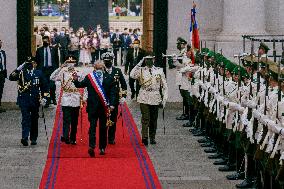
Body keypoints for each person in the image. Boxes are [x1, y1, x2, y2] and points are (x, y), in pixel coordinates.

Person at [72, 62, 116, 157]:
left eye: (101, 68)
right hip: (92, 107)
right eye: (97, 68)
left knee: (103, 128)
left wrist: (112, 104)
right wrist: (75, 80)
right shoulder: (89, 77)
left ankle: (102, 147)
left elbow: (113, 93)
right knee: (92, 128)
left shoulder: (109, 78)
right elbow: (80, 85)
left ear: (103, 68)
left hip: (104, 108)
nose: (99, 69)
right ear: (94, 68)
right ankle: (91, 146)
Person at [9, 57, 49, 146]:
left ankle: (33, 138)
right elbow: (11, 77)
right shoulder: (21, 73)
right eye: (29, 63)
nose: (31, 65)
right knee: (25, 118)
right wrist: (19, 67)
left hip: (35, 100)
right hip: (24, 99)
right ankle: (25, 137)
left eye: (33, 63)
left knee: (34, 119)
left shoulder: (39, 73)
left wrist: (45, 98)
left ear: (36, 64)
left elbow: (45, 87)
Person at [130, 55, 168, 146]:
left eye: (150, 59)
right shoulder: (141, 70)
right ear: (145, 60)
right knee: (145, 118)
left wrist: (165, 98)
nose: (149, 61)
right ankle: (144, 137)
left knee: (153, 119)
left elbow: (164, 85)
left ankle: (152, 137)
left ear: (153, 60)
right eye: (147, 59)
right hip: (144, 96)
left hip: (155, 96)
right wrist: (139, 62)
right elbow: (132, 75)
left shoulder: (159, 70)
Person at [50, 55, 83, 145]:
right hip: (66, 97)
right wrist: (60, 67)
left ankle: (73, 138)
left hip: (76, 97)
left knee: (74, 120)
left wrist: (84, 98)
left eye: (72, 62)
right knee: (66, 119)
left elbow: (85, 85)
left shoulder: (79, 72)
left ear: (75, 63)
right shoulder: (62, 72)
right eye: (68, 62)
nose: (70, 64)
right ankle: (65, 136)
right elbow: (52, 77)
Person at [102, 52, 127, 145]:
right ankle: (103, 136)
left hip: (114, 98)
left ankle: (111, 137)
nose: (107, 62)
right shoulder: (100, 71)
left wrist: (123, 96)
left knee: (113, 119)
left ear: (112, 61)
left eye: (109, 61)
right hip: (103, 98)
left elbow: (123, 84)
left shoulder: (117, 71)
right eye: (106, 61)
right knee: (103, 119)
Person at [36, 35, 59, 107]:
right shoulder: (39, 50)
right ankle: (46, 99)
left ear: (49, 41)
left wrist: (57, 70)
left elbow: (56, 60)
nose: (45, 42)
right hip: (43, 70)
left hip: (51, 69)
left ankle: (53, 98)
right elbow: (37, 61)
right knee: (45, 86)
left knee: (52, 85)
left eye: (46, 40)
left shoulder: (53, 49)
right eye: (44, 41)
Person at [0, 39, 7, 113]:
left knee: (0, 90)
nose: (0, 44)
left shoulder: (3, 52)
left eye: (1, 42)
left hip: (2, 74)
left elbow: (4, 64)